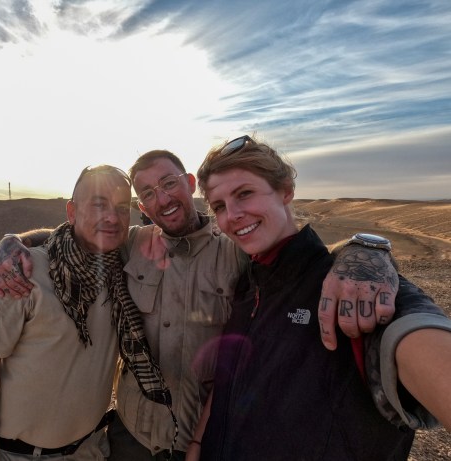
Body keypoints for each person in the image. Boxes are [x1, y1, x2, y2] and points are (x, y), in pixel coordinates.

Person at [0, 151, 401, 460]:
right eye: (148, 193)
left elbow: (298, 257)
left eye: (169, 183)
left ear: (189, 184)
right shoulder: (131, 244)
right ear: (142, 208)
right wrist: (14, 241)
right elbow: (76, 234)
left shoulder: (236, 249)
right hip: (130, 435)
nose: (162, 198)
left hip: (200, 439)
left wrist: (364, 251)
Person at [185, 135, 451, 460]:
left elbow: (418, 340)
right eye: (219, 206)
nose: (233, 214)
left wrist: (369, 252)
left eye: (245, 193)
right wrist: (198, 444)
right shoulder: (247, 284)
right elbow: (230, 376)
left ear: (285, 190)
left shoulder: (352, 287)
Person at [0, 165, 172, 461]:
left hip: (92, 449)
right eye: (99, 205)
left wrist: (18, 237)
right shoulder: (21, 272)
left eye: (122, 208)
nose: (112, 218)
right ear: (71, 212)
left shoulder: (123, 264)